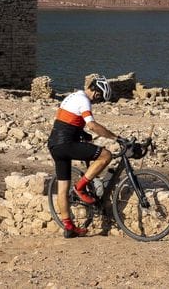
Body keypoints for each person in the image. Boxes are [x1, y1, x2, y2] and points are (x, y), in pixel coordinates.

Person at [47, 76, 119, 238]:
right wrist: (115, 137)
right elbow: (92, 124)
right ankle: (79, 187)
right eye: (98, 96)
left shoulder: (71, 97)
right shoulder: (83, 99)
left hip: (54, 145)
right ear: (94, 90)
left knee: (62, 190)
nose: (96, 100)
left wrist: (84, 135)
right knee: (106, 155)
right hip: (66, 144)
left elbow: (68, 122)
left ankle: (69, 227)